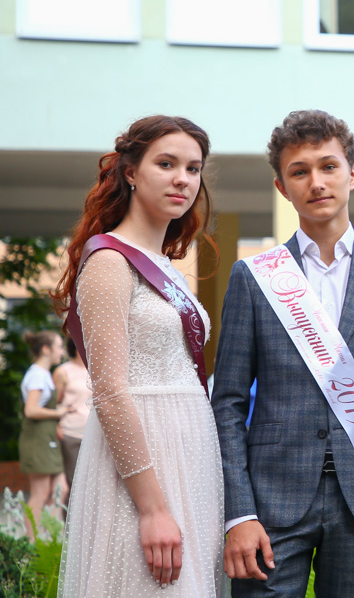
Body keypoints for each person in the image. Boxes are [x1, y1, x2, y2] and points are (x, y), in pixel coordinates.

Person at [212, 109, 354, 598]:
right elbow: (226, 403)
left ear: (353, 173)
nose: (316, 182)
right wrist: (239, 513)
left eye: (329, 166)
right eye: (299, 171)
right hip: (271, 500)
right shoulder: (254, 277)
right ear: (281, 187)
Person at [53, 115, 225, 596]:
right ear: (130, 172)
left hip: (190, 457)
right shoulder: (109, 261)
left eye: (193, 168)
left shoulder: (166, 266)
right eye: (166, 164)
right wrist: (152, 509)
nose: (182, 179)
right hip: (142, 464)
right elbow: (109, 391)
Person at [19, 330, 69, 539]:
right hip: (37, 440)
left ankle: (50, 537)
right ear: (46, 349)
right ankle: (33, 544)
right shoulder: (38, 375)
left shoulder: (44, 374)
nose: (62, 352)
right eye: (59, 347)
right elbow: (31, 410)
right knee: (39, 494)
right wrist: (58, 413)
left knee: (61, 488)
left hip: (47, 439)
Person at [54, 336, 91, 498]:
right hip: (71, 433)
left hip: (94, 433)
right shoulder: (63, 371)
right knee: (74, 483)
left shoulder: (95, 370)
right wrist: (56, 426)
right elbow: (53, 403)